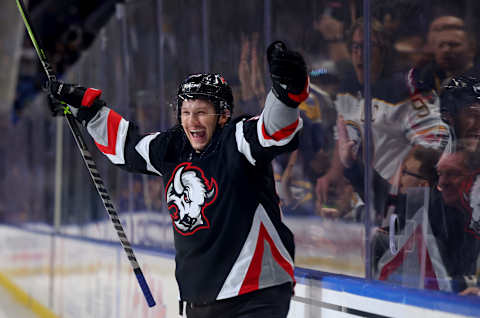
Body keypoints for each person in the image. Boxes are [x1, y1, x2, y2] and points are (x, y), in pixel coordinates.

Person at [47, 41, 308, 318]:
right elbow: (127, 148)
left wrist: (285, 93)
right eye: (186, 112)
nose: (192, 121)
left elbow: (273, 129)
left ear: (223, 115)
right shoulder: (173, 147)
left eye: (202, 112)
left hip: (255, 293)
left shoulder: (237, 139)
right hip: (199, 299)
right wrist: (88, 110)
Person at [315, 18, 449, 213]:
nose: (360, 54)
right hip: (359, 206)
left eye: (368, 46)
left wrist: (402, 177)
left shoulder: (406, 90)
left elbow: (432, 145)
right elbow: (344, 138)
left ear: (384, 51)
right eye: (355, 47)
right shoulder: (347, 88)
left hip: (395, 206)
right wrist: (333, 174)